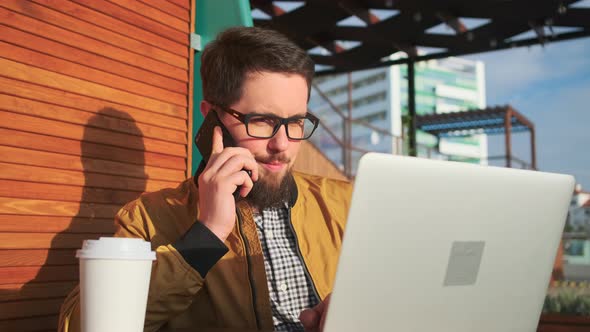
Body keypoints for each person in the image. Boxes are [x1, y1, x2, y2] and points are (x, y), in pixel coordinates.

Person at [59, 26, 352, 332]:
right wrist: (207, 234)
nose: (282, 145)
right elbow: (83, 325)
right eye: (263, 121)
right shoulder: (147, 219)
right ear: (212, 117)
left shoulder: (346, 203)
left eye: (296, 122)